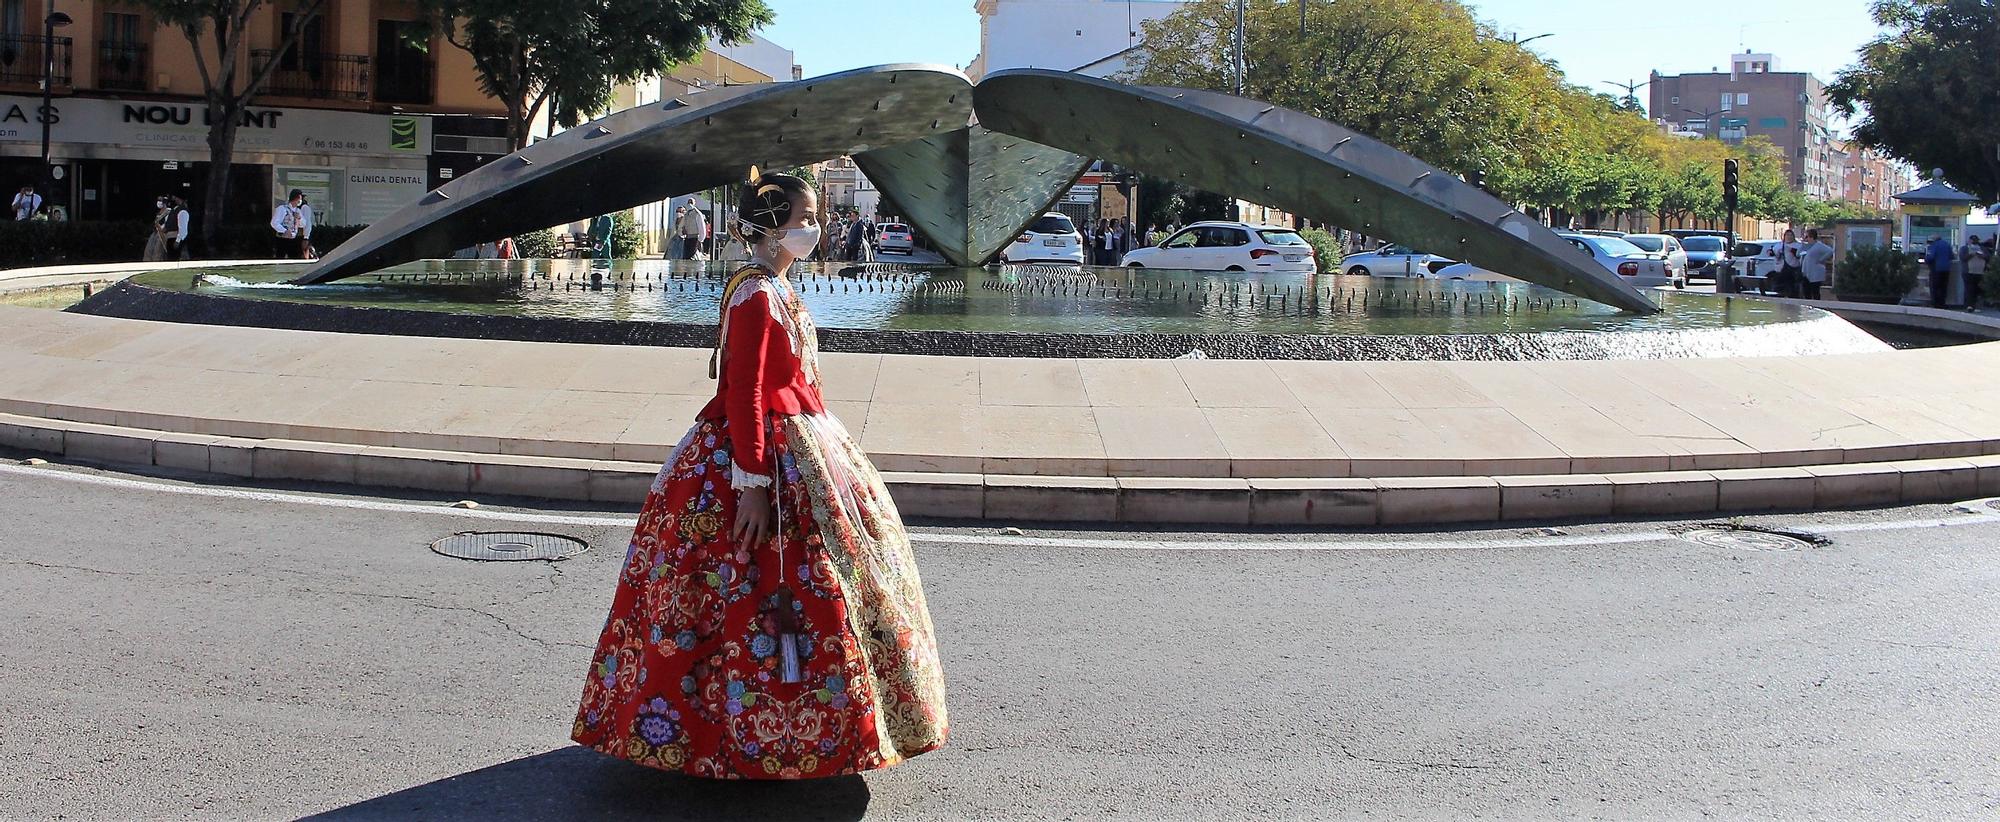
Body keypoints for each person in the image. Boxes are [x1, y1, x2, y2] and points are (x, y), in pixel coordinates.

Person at [572, 168, 948, 779]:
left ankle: (782, 731)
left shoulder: (769, 288)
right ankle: (741, 736)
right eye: (803, 219)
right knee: (762, 590)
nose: (813, 230)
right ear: (773, 228)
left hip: (795, 441)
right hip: (762, 455)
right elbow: (743, 390)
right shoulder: (755, 294)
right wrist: (751, 485)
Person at [270, 189, 310, 259]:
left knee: (294, 259)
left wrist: (299, 218)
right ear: (297, 198)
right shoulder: (282, 209)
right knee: (280, 258)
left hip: (294, 239)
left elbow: (303, 224)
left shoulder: (298, 211)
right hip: (282, 239)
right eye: (300, 198)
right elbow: (274, 222)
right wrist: (284, 231)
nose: (300, 201)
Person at [1765, 229, 1804, 298]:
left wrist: (1791, 250)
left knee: (1793, 291)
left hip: (1793, 271)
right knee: (1780, 290)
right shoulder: (1779, 245)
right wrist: (1771, 252)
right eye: (1787, 235)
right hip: (1780, 270)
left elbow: (1799, 255)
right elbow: (1772, 252)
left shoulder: (1798, 245)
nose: (1789, 237)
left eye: (1791, 235)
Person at [1800, 229, 1834, 301]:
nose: (1806, 238)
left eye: (1807, 236)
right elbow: (1799, 253)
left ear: (1811, 237)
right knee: (1806, 292)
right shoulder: (1807, 246)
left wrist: (1821, 259)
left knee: (1815, 292)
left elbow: (1830, 251)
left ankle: (1816, 307)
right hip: (1806, 272)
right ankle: (1807, 308)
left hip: (1815, 273)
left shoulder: (1819, 245)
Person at [1926, 234, 1957, 308]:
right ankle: (1942, 303)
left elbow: (1930, 257)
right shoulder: (1947, 244)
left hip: (1936, 269)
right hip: (1946, 269)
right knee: (1943, 287)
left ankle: (1935, 304)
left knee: (1935, 287)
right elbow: (1952, 256)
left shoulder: (1934, 245)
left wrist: (1926, 260)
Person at [1963, 234, 1990, 310]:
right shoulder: (1965, 248)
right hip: (1968, 272)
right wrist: (1971, 254)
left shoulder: (1983, 248)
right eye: (1973, 240)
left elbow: (1988, 257)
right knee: (1969, 289)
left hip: (1980, 272)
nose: (1974, 242)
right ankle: (1969, 305)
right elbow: (1963, 258)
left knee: (1978, 290)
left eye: (1976, 240)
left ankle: (1977, 305)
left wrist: (1981, 256)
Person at [164, 194, 191, 261]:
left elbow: (182, 227)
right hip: (171, 237)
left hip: (175, 237)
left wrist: (178, 240)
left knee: (175, 258)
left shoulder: (182, 210)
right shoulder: (175, 209)